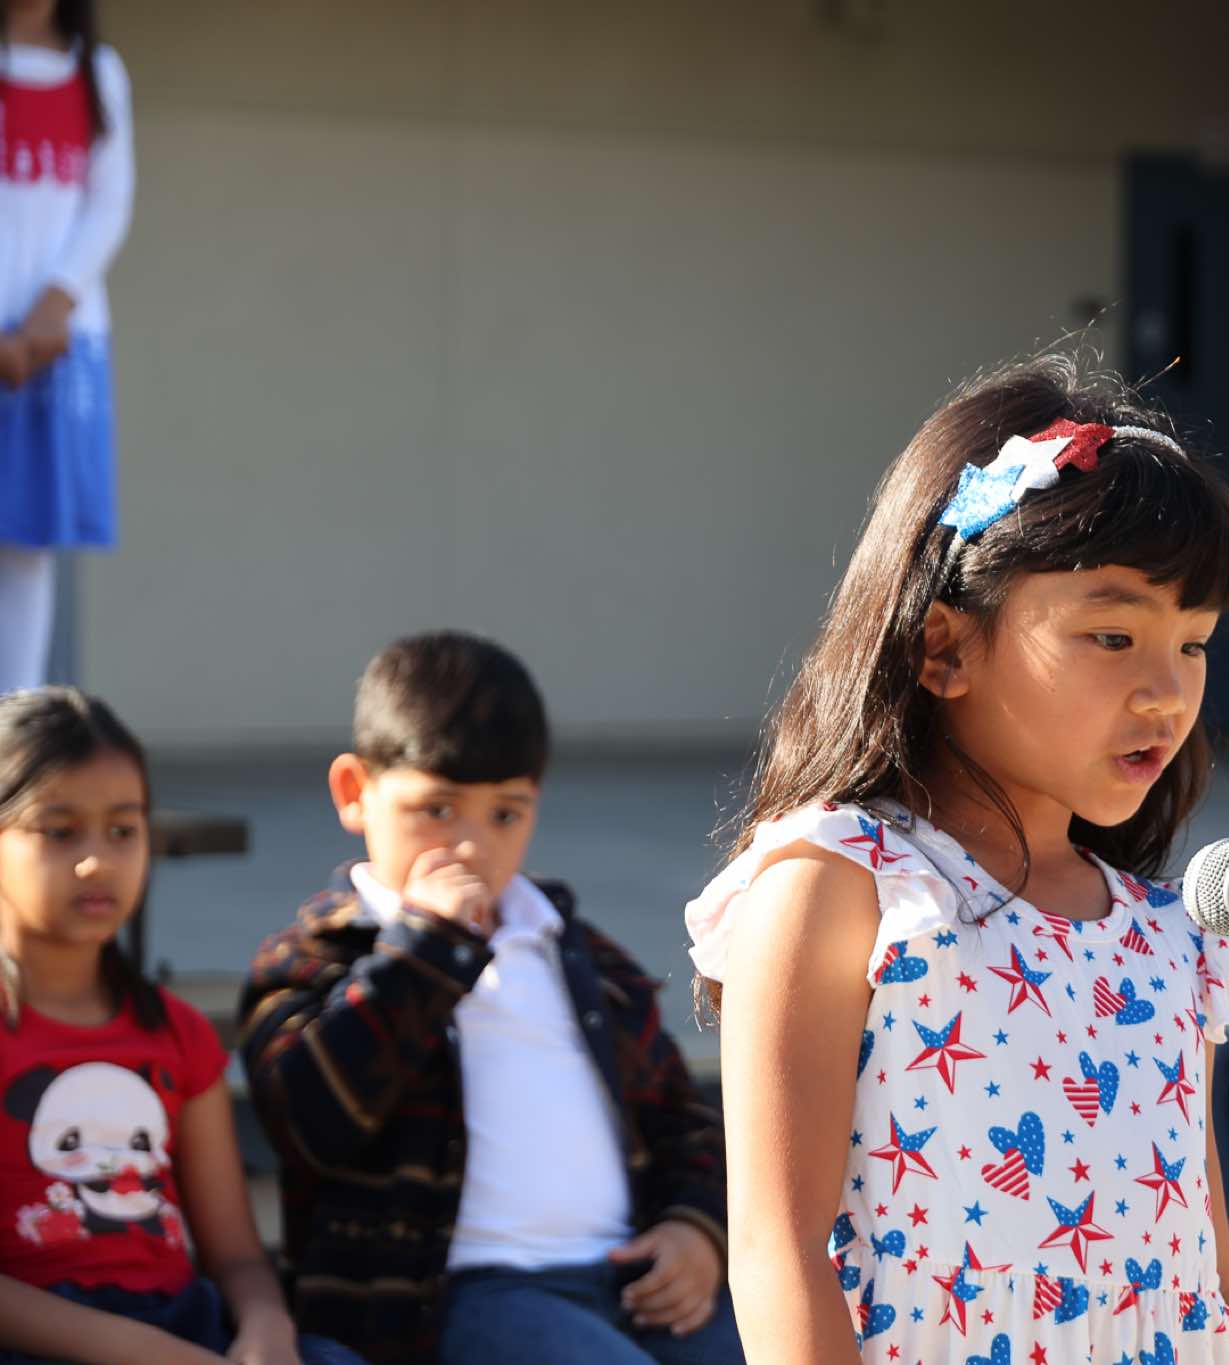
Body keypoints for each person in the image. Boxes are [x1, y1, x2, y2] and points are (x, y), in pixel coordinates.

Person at [685, 354, 1229, 1363]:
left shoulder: (1170, 932)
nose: (1166, 693)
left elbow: (1208, 1271)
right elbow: (779, 1251)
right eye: (1111, 636)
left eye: (1194, 643)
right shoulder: (842, 882)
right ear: (944, 648)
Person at [237, 633, 733, 1365]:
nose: (471, 846)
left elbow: (681, 1117)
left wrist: (695, 1227)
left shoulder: (577, 953)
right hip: (456, 1300)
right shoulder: (314, 958)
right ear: (354, 792)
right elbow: (309, 1121)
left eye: (506, 814)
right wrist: (426, 948)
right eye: (437, 809)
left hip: (630, 1280)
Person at [0, 687, 361, 1365]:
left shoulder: (178, 1033)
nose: (97, 860)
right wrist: (141, 1351)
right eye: (59, 830)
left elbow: (236, 1254)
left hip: (183, 1327)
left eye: (123, 829)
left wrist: (267, 1328)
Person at [0, 1, 133, 692]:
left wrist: (53, 306)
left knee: (27, 543)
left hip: (54, 344)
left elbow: (109, 202)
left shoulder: (98, 73)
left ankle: (12, 733)